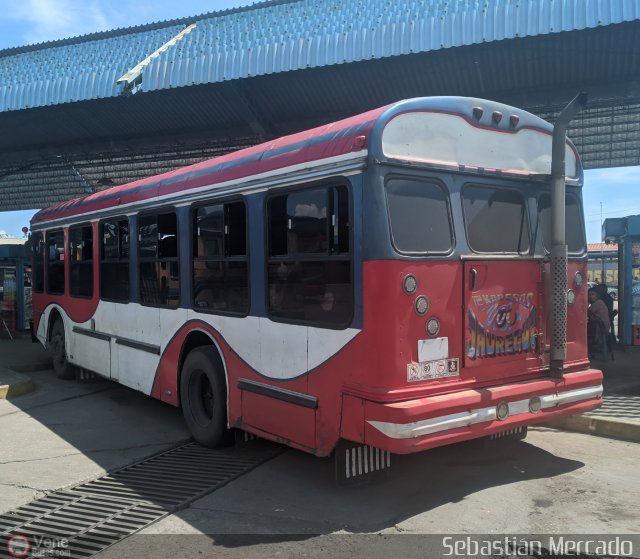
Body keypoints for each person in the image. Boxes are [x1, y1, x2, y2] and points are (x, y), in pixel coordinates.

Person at [588, 288, 610, 361]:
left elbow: (587, 311)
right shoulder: (598, 302)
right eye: (589, 295)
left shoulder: (598, 303)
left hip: (601, 327)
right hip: (601, 325)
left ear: (597, 295)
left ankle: (590, 352)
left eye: (593, 294)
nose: (591, 296)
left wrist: (586, 302)